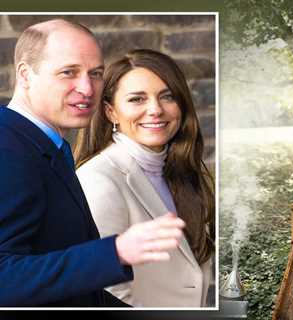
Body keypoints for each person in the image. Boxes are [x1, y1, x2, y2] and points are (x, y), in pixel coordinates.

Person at [0, 19, 186, 307]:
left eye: (96, 73)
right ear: (25, 75)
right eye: (68, 72)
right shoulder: (7, 149)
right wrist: (116, 251)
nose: (87, 88)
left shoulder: (47, 144)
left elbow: (79, 294)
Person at [74, 49, 215, 307]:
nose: (155, 110)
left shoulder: (183, 173)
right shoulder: (99, 180)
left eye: (167, 96)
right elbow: (105, 290)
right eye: (137, 99)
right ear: (111, 112)